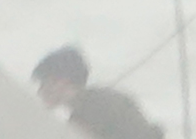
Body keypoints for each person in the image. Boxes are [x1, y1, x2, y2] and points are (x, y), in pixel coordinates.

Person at [31, 46, 163, 139]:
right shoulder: (92, 104)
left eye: (45, 83)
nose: (40, 91)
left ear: (62, 81)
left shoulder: (95, 108)